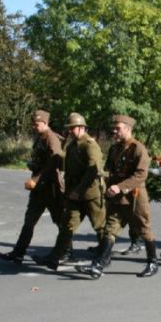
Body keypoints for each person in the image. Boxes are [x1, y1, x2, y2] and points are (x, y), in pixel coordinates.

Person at [77, 115, 158, 279]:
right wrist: (105, 181)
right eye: (114, 128)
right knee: (110, 229)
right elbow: (110, 170)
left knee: (144, 229)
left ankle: (152, 262)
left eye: (118, 128)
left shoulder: (138, 149)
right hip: (116, 198)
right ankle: (99, 265)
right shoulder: (115, 148)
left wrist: (120, 187)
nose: (114, 131)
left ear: (128, 129)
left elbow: (141, 175)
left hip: (135, 198)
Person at [35, 113, 106, 270]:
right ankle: (54, 258)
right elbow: (68, 168)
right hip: (74, 194)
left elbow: (92, 171)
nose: (70, 131)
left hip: (90, 194)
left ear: (81, 127)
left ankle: (103, 257)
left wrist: (79, 190)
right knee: (67, 226)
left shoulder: (90, 145)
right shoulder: (72, 145)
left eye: (72, 128)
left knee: (100, 226)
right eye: (69, 128)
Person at [0, 110, 65, 265]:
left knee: (60, 221)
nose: (34, 127)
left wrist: (36, 179)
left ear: (45, 123)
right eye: (33, 124)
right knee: (29, 220)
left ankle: (66, 251)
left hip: (51, 188)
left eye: (36, 124)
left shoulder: (51, 138)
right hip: (39, 189)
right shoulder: (40, 138)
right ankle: (18, 252)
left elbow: (54, 162)